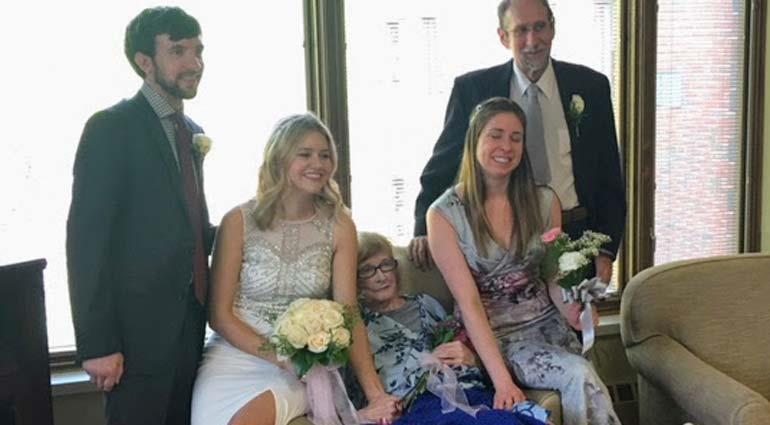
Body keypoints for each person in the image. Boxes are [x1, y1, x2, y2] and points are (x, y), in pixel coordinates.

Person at [190, 114, 401, 425]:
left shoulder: (340, 224)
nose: (317, 163)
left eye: (325, 155)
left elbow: (349, 313)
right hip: (234, 356)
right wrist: (277, 356)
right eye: (305, 154)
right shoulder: (238, 221)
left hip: (304, 363)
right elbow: (219, 315)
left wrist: (376, 393)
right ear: (280, 157)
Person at [427, 97, 621, 425]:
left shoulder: (545, 201)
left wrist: (574, 311)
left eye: (515, 138)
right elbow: (469, 304)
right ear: (475, 139)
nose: (506, 146)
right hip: (499, 337)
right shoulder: (443, 215)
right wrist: (502, 380)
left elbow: (552, 275)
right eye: (496, 135)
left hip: (549, 325)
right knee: (577, 373)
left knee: (585, 374)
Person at [66, 6, 213, 424]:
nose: (195, 63)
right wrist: (97, 343)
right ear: (143, 61)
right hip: (134, 335)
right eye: (178, 51)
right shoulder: (112, 127)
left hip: (191, 322)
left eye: (199, 51)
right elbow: (85, 240)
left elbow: (191, 231)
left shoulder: (192, 132)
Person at [411, 0, 625, 286]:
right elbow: (444, 164)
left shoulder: (591, 87)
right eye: (520, 30)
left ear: (552, 28)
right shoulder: (472, 90)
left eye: (539, 27)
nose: (532, 41)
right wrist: (422, 229)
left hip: (573, 238)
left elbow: (609, 175)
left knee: (571, 325)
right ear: (503, 36)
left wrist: (605, 250)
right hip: (498, 244)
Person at [354, 231, 550, 425]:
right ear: (354, 279)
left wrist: (473, 359)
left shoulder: (425, 303)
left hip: (467, 387)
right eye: (367, 270)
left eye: (386, 265)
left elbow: (463, 341)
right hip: (418, 403)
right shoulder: (358, 327)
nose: (380, 276)